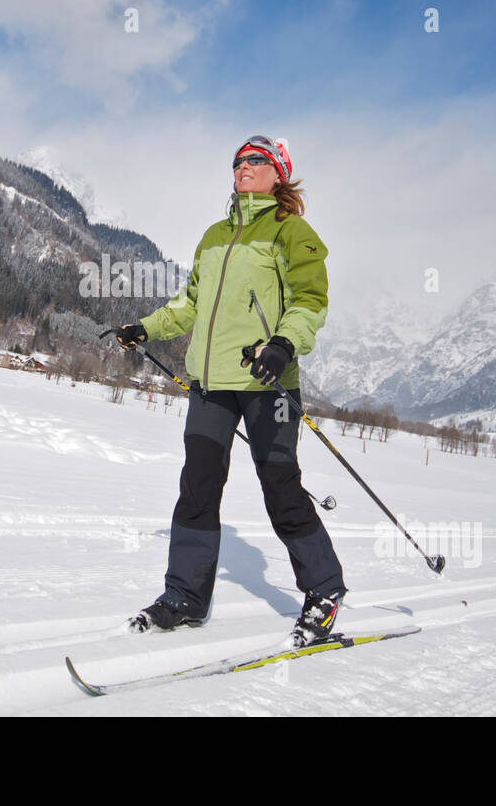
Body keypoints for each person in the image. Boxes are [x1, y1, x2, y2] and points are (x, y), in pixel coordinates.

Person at [114, 135, 347, 647]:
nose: (245, 166)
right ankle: (185, 598)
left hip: (268, 381)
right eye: (239, 160)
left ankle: (325, 592)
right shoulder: (215, 236)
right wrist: (145, 328)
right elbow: (190, 303)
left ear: (279, 173)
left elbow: (311, 300)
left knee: (281, 487)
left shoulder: (292, 231)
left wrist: (283, 345)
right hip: (211, 384)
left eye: (257, 160)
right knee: (197, 486)